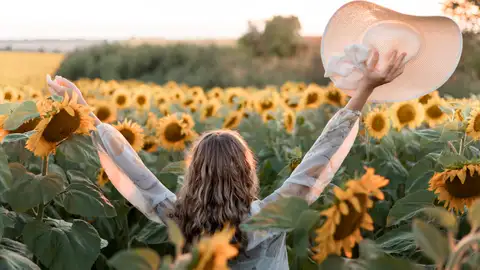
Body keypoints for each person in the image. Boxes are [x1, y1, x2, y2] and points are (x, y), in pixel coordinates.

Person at [46, 49, 407, 270]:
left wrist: (86, 113)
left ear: (193, 176)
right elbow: (317, 162)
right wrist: (364, 90)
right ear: (247, 173)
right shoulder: (268, 219)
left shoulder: (176, 218)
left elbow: (136, 172)